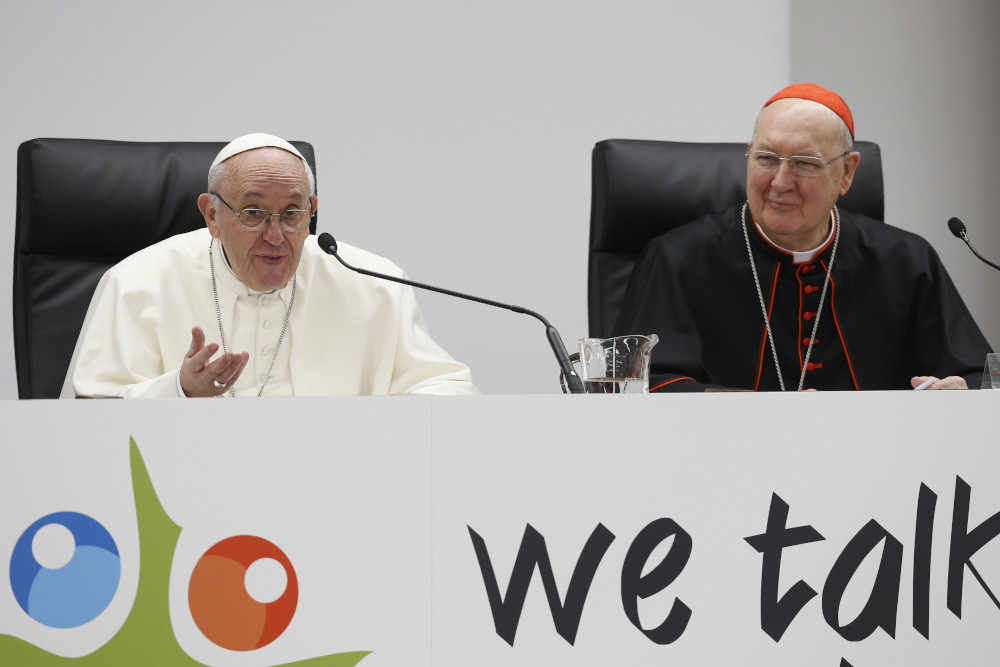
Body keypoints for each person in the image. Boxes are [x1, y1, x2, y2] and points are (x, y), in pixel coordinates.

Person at [615, 84, 991, 392]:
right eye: (765, 158)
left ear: (847, 172)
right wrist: (763, 413)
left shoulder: (907, 261)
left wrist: (955, 392)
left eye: (805, 164)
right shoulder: (678, 258)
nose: (780, 182)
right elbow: (641, 386)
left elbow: (979, 377)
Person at [61, 133, 479, 398]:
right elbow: (88, 422)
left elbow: (447, 386)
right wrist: (179, 390)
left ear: (312, 211)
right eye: (253, 213)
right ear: (211, 215)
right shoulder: (137, 283)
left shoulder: (372, 284)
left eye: (292, 213)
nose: (276, 236)